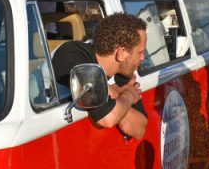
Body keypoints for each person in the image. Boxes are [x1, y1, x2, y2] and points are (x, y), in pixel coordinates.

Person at [52, 12, 148, 140]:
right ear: (122, 53)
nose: (143, 58)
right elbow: (108, 118)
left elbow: (140, 129)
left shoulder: (123, 72)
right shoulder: (73, 55)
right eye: (140, 52)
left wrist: (117, 96)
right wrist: (128, 96)